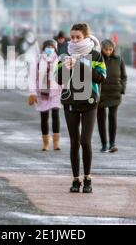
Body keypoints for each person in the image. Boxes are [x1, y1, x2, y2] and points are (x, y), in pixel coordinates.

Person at [57, 23, 106, 194]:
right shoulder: (65, 55)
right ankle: (75, 179)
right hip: (70, 102)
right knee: (74, 142)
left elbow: (101, 78)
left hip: (90, 103)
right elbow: (58, 79)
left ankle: (88, 178)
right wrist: (66, 67)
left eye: (78, 37)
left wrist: (82, 66)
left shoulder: (96, 55)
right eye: (73, 37)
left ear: (86, 37)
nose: (75, 40)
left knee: (85, 141)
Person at [28, 40, 62, 151]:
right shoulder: (37, 61)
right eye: (47, 46)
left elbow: (65, 76)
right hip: (42, 93)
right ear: (43, 48)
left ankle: (56, 143)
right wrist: (32, 93)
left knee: (56, 115)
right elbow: (32, 78)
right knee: (44, 117)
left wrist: (67, 91)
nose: (49, 48)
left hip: (56, 92)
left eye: (52, 47)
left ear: (55, 48)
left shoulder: (59, 60)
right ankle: (46, 143)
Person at [97, 40, 127, 153]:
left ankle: (112, 143)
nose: (108, 52)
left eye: (110, 49)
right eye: (106, 49)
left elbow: (124, 76)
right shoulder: (98, 59)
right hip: (100, 94)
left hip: (115, 93)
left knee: (112, 118)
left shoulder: (119, 59)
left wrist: (122, 88)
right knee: (101, 119)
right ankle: (104, 144)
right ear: (102, 49)